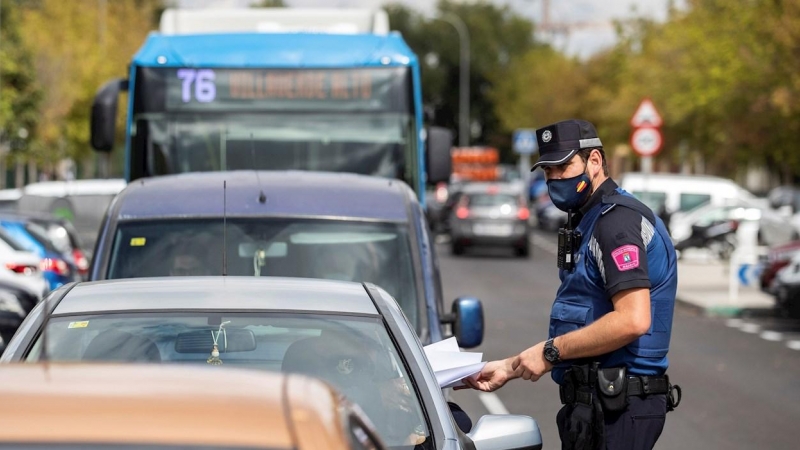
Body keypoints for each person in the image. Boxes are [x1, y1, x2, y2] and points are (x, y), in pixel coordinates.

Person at [459, 119, 680, 449]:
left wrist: (551, 352)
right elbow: (585, 318)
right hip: (595, 407)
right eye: (548, 171)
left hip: (619, 409)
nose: (554, 179)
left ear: (594, 161)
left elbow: (633, 319)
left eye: (562, 167)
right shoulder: (590, 218)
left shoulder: (617, 224)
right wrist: (508, 367)